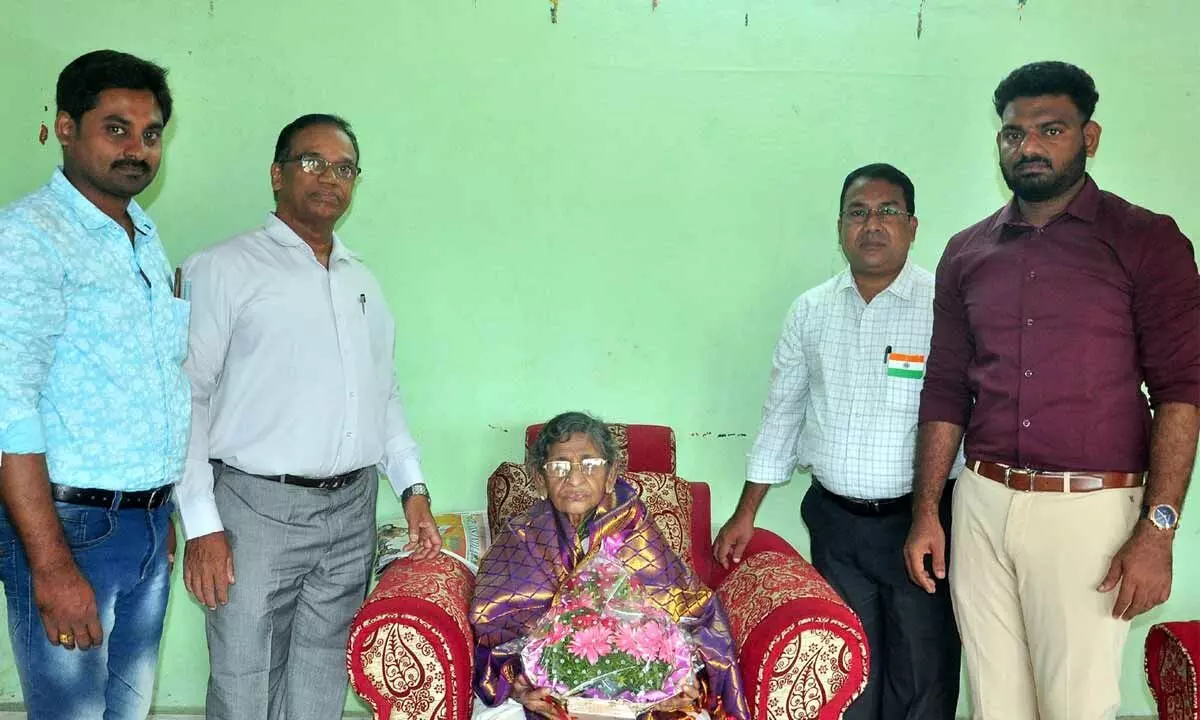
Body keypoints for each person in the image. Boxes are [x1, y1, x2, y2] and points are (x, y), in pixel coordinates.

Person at [904, 60, 1199, 720]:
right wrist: (929, 509)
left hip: (1089, 515)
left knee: (1076, 706)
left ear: (1089, 138)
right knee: (994, 705)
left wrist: (1158, 531)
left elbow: (1182, 390)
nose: (1028, 146)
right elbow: (946, 388)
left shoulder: (1146, 241)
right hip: (981, 504)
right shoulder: (966, 252)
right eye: (1013, 134)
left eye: (1051, 129)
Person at [176, 113, 442, 720]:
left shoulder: (361, 281)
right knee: (245, 677)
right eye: (313, 162)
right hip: (254, 509)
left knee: (323, 670)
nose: (331, 178)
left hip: (351, 509)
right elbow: (184, 397)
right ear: (277, 174)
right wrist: (201, 525)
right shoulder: (222, 268)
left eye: (344, 168)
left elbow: (386, 392)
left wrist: (412, 488)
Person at [714, 164, 961, 719]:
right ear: (840, 227)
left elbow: (969, 413)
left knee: (922, 674)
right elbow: (782, 415)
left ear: (913, 225)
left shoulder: (945, 307)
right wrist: (745, 512)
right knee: (846, 670)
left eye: (887, 211)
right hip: (836, 525)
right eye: (858, 212)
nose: (871, 224)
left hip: (921, 524)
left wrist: (934, 515)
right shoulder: (811, 310)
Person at [0, 50, 187, 720]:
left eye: (152, 132)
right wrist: (50, 568)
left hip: (146, 525)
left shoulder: (140, 234)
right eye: (116, 128)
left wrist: (157, 506)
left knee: (127, 714)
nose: (137, 148)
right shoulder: (30, 236)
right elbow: (9, 414)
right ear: (66, 127)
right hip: (71, 530)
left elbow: (155, 380)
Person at [471, 411, 750, 720]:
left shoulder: (635, 529)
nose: (574, 479)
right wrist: (518, 685)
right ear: (540, 479)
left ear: (611, 474)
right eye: (559, 466)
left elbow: (692, 613)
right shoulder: (520, 537)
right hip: (547, 696)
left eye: (589, 464)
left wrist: (682, 680)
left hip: (645, 697)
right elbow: (492, 630)